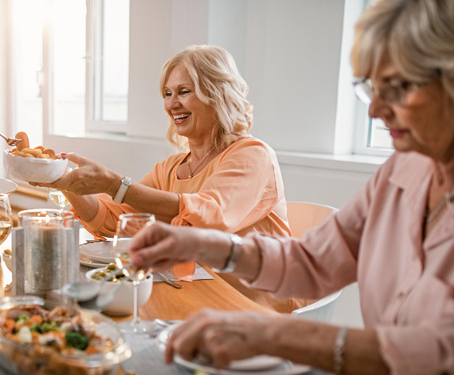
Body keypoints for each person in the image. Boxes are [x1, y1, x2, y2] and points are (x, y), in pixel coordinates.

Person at [128, 0, 454, 374]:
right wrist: (205, 244)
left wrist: (274, 333)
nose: (374, 110)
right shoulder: (402, 172)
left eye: (397, 87)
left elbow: (440, 353)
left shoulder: (250, 153)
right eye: (371, 88)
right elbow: (312, 261)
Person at [42, 45, 303, 312]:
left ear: (216, 94)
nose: (171, 104)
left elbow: (211, 216)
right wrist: (62, 180)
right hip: (196, 298)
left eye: (184, 92)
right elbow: (116, 219)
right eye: (167, 94)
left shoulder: (252, 155)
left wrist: (114, 183)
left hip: (254, 307)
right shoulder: (171, 168)